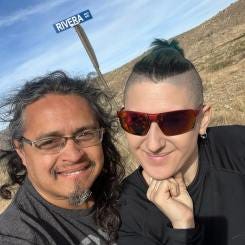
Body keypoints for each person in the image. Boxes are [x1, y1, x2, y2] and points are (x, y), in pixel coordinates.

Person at [116, 39, 245, 245]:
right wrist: (183, 228)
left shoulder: (238, 147)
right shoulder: (125, 211)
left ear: (203, 120)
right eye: (136, 121)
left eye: (174, 121)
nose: (153, 144)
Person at [0, 71, 125, 245]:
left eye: (85, 134)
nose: (74, 155)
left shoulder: (124, 193)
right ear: (21, 150)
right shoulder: (17, 235)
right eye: (49, 141)